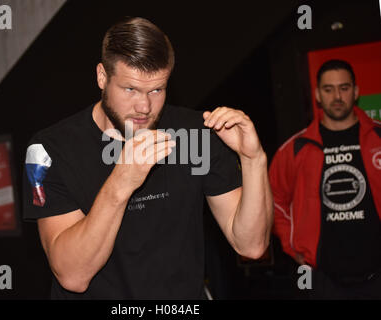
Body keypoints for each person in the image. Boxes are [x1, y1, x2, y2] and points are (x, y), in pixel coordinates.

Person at [23, 17, 273, 299]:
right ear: (102, 77)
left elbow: (251, 245)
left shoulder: (194, 134)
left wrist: (253, 159)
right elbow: (72, 275)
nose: (144, 106)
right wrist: (121, 181)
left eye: (157, 89)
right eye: (130, 89)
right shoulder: (51, 149)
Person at [269, 59, 381, 299]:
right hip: (325, 280)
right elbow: (274, 201)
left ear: (356, 91)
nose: (337, 96)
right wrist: (293, 247)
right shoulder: (295, 149)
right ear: (318, 95)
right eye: (329, 89)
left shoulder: (378, 138)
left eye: (344, 87)